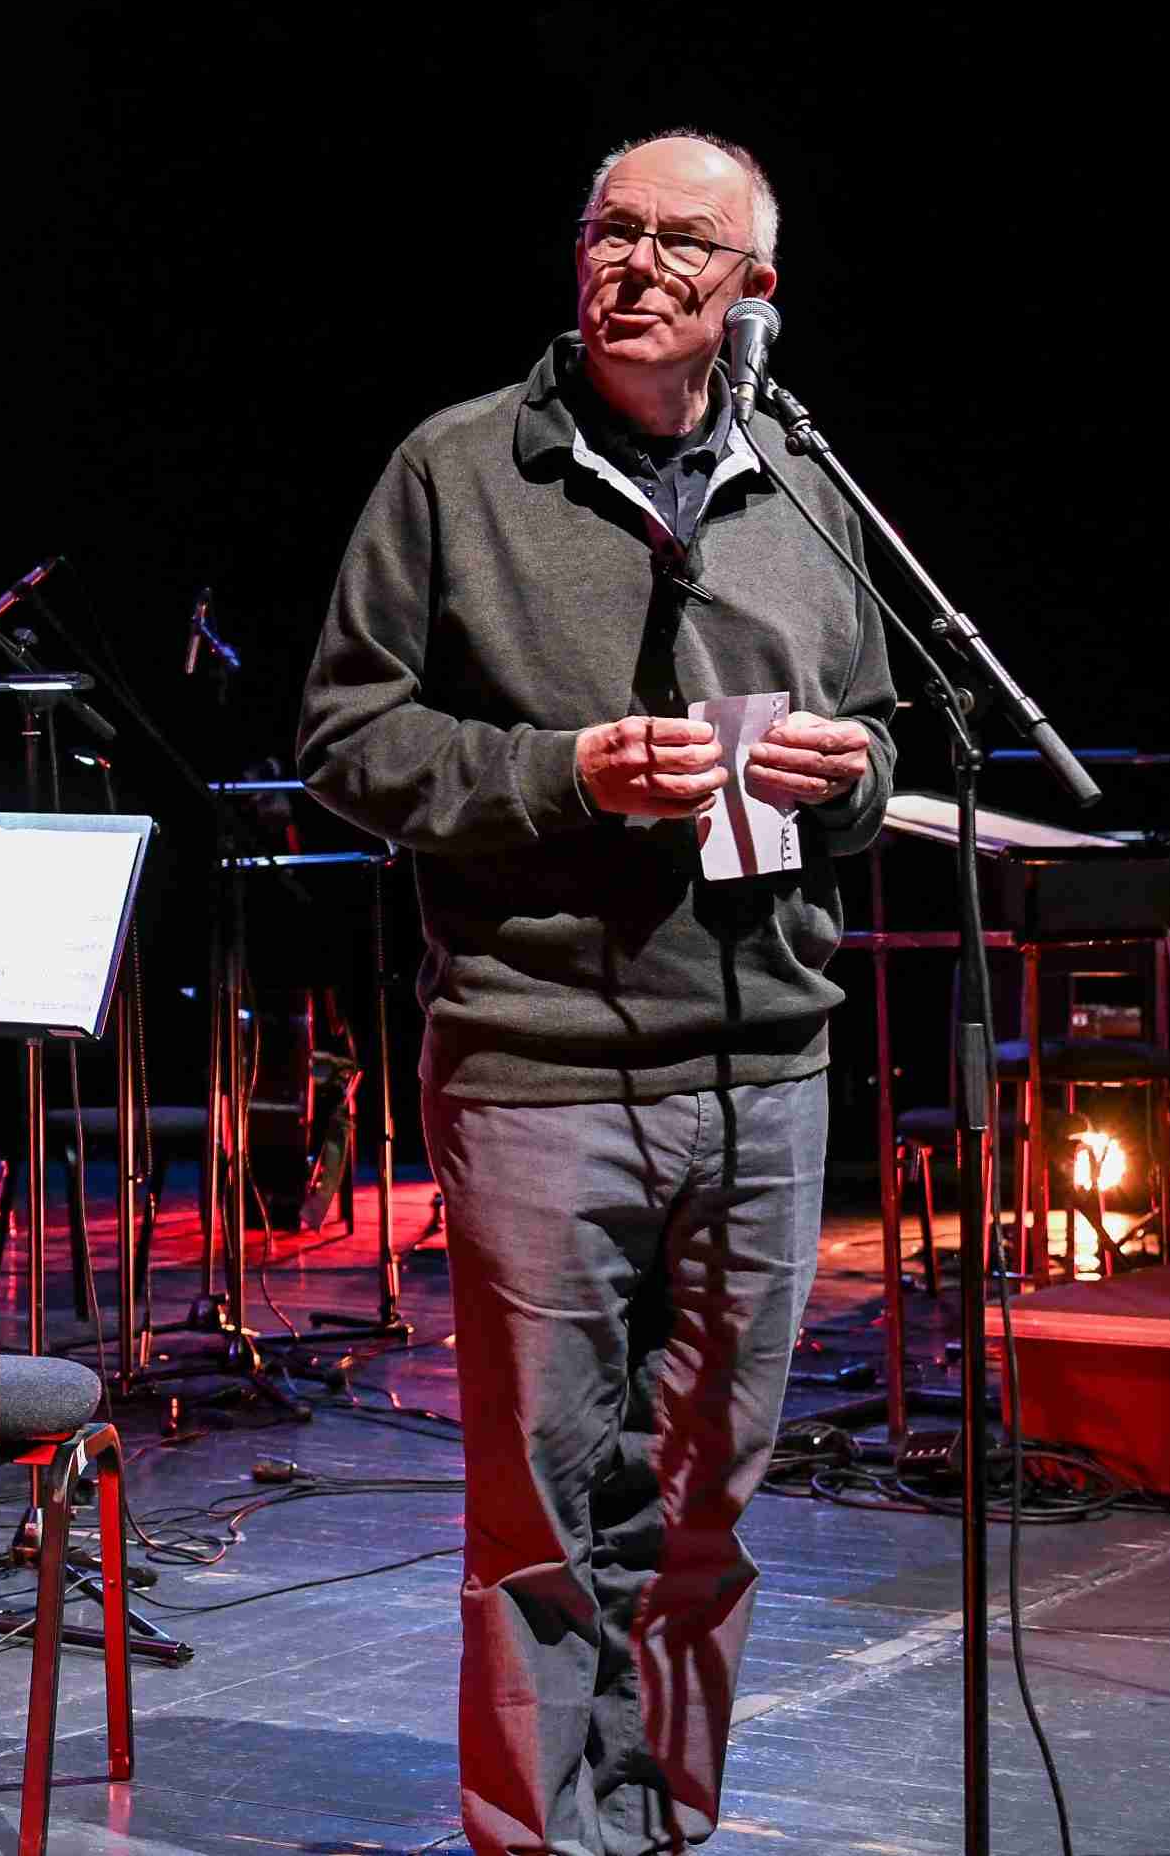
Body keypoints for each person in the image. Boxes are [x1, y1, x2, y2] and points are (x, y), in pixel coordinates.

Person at [296, 131, 897, 1856]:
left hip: (765, 1064)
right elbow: (344, 736)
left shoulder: (803, 486)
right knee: (546, 1514)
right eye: (607, 230)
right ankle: (541, 1837)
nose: (632, 263)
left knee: (705, 1507)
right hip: (538, 1057)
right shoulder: (457, 468)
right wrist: (562, 774)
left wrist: (842, 777)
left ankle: (662, 1824)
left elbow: (884, 736)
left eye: (678, 242)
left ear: (750, 291)